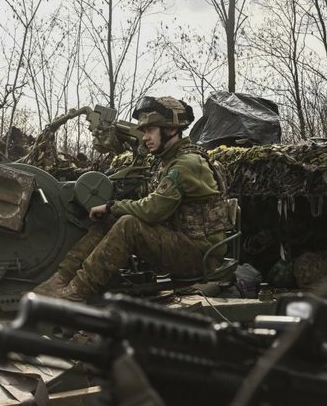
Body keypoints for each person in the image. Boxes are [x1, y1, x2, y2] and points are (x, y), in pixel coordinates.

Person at [32, 96, 231, 302]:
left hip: (201, 257)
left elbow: (152, 210)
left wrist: (113, 205)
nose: (144, 137)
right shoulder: (169, 161)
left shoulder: (186, 164)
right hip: (183, 246)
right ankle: (60, 279)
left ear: (171, 129)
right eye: (143, 131)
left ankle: (77, 290)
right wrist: (113, 209)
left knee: (128, 224)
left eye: (150, 130)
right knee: (112, 218)